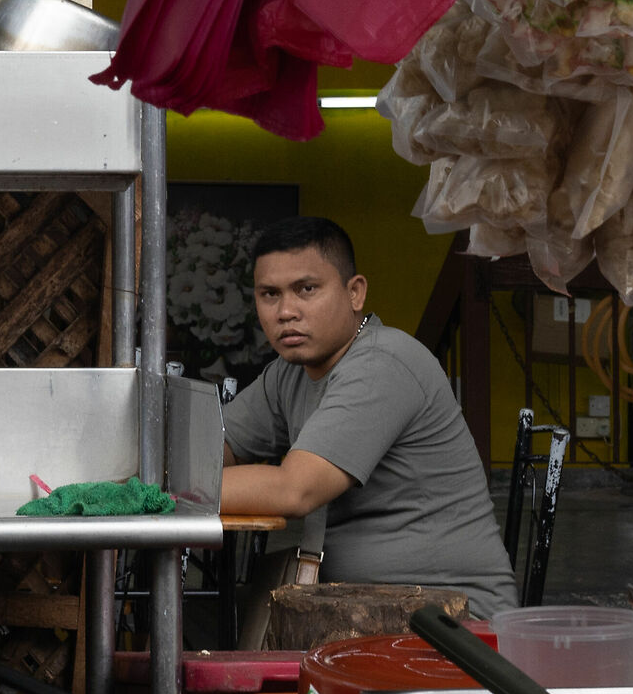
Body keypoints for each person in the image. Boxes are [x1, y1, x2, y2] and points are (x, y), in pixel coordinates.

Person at [219, 215, 518, 618]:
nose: (286, 311)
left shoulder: (383, 363)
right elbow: (218, 446)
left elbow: (294, 491)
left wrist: (160, 488)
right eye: (269, 294)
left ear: (355, 293)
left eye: (306, 289)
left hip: (451, 623)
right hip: (361, 611)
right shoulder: (289, 373)